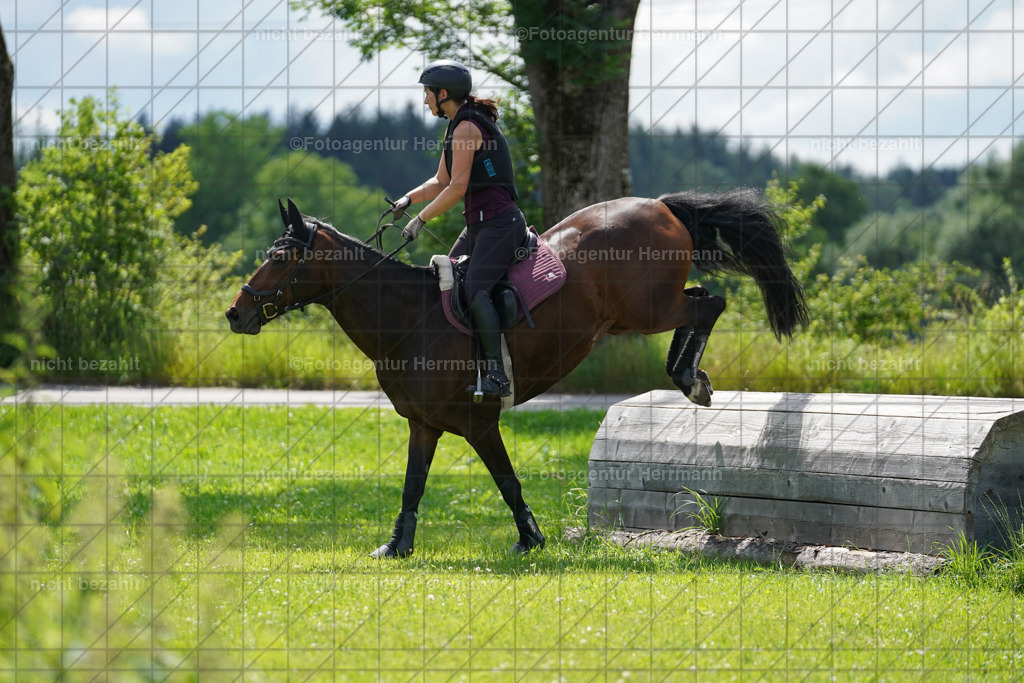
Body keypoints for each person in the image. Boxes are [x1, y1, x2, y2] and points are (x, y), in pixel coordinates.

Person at [393, 59, 525, 398]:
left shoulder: (467, 127)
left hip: (500, 225)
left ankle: (497, 376)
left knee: (475, 290)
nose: (425, 100)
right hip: (478, 226)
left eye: (428, 93)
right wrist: (408, 199)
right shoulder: (456, 125)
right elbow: (441, 180)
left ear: (443, 94)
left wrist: (421, 219)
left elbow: (457, 189)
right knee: (446, 285)